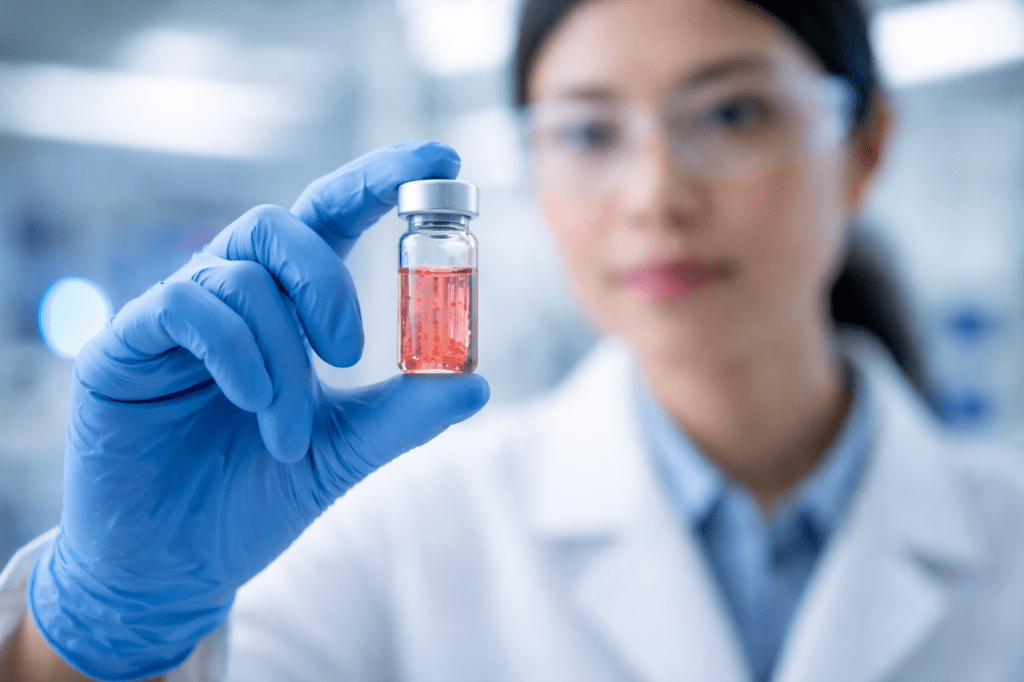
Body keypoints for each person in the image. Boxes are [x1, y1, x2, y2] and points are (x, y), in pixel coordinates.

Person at [3, 0, 1024, 680]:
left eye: (733, 113)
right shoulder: (394, 536)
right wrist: (99, 632)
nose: (655, 195)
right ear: (533, 171)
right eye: (587, 131)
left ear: (865, 148)